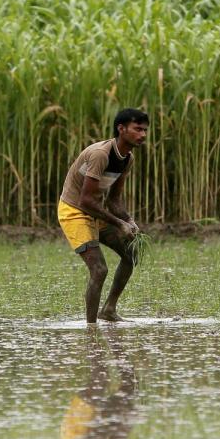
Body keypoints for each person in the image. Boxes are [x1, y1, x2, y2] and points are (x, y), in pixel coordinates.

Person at [58, 108, 149, 324]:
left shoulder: (127, 158)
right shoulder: (100, 154)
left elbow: (113, 200)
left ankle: (109, 310)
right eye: (138, 129)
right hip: (74, 212)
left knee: (130, 255)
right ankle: (91, 328)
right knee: (99, 270)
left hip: (96, 210)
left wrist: (129, 220)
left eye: (145, 130)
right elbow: (85, 201)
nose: (143, 135)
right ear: (121, 129)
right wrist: (118, 223)